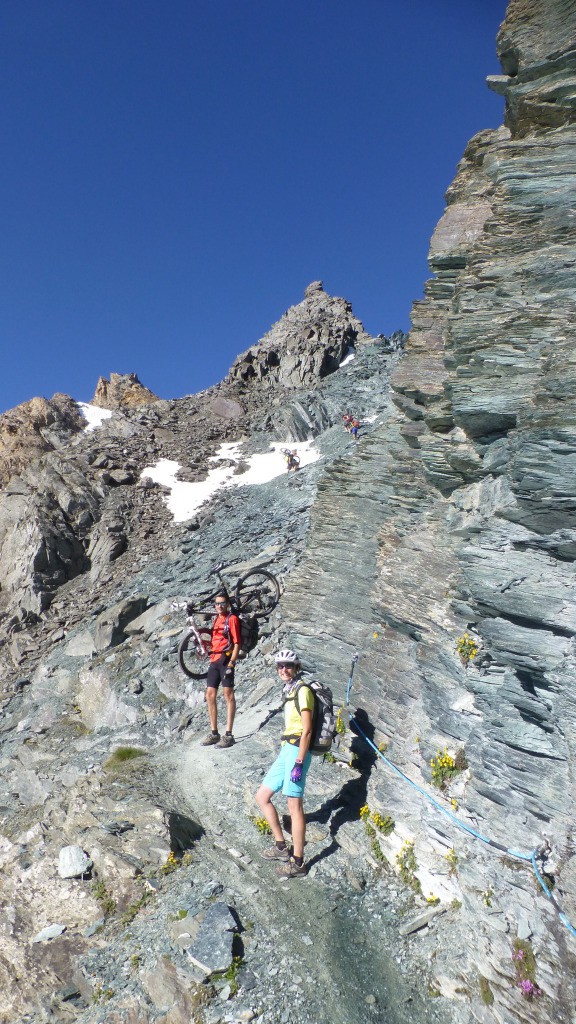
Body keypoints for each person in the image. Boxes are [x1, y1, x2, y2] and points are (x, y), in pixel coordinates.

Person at [255, 649, 314, 878]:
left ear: (296, 667)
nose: (283, 669)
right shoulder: (290, 690)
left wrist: (299, 761)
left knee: (294, 806)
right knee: (262, 796)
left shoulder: (303, 691)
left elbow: (307, 729)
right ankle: (281, 847)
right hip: (286, 749)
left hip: (297, 750)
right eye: (280, 666)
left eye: (288, 665)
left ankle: (298, 863)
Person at [201, 592, 240, 748]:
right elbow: (215, 641)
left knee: (228, 695)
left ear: (228, 604)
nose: (219, 606)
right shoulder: (217, 619)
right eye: (217, 603)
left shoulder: (232, 619)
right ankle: (214, 733)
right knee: (210, 694)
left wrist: (231, 663)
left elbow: (237, 643)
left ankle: (229, 735)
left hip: (225, 659)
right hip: (214, 660)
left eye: (222, 603)